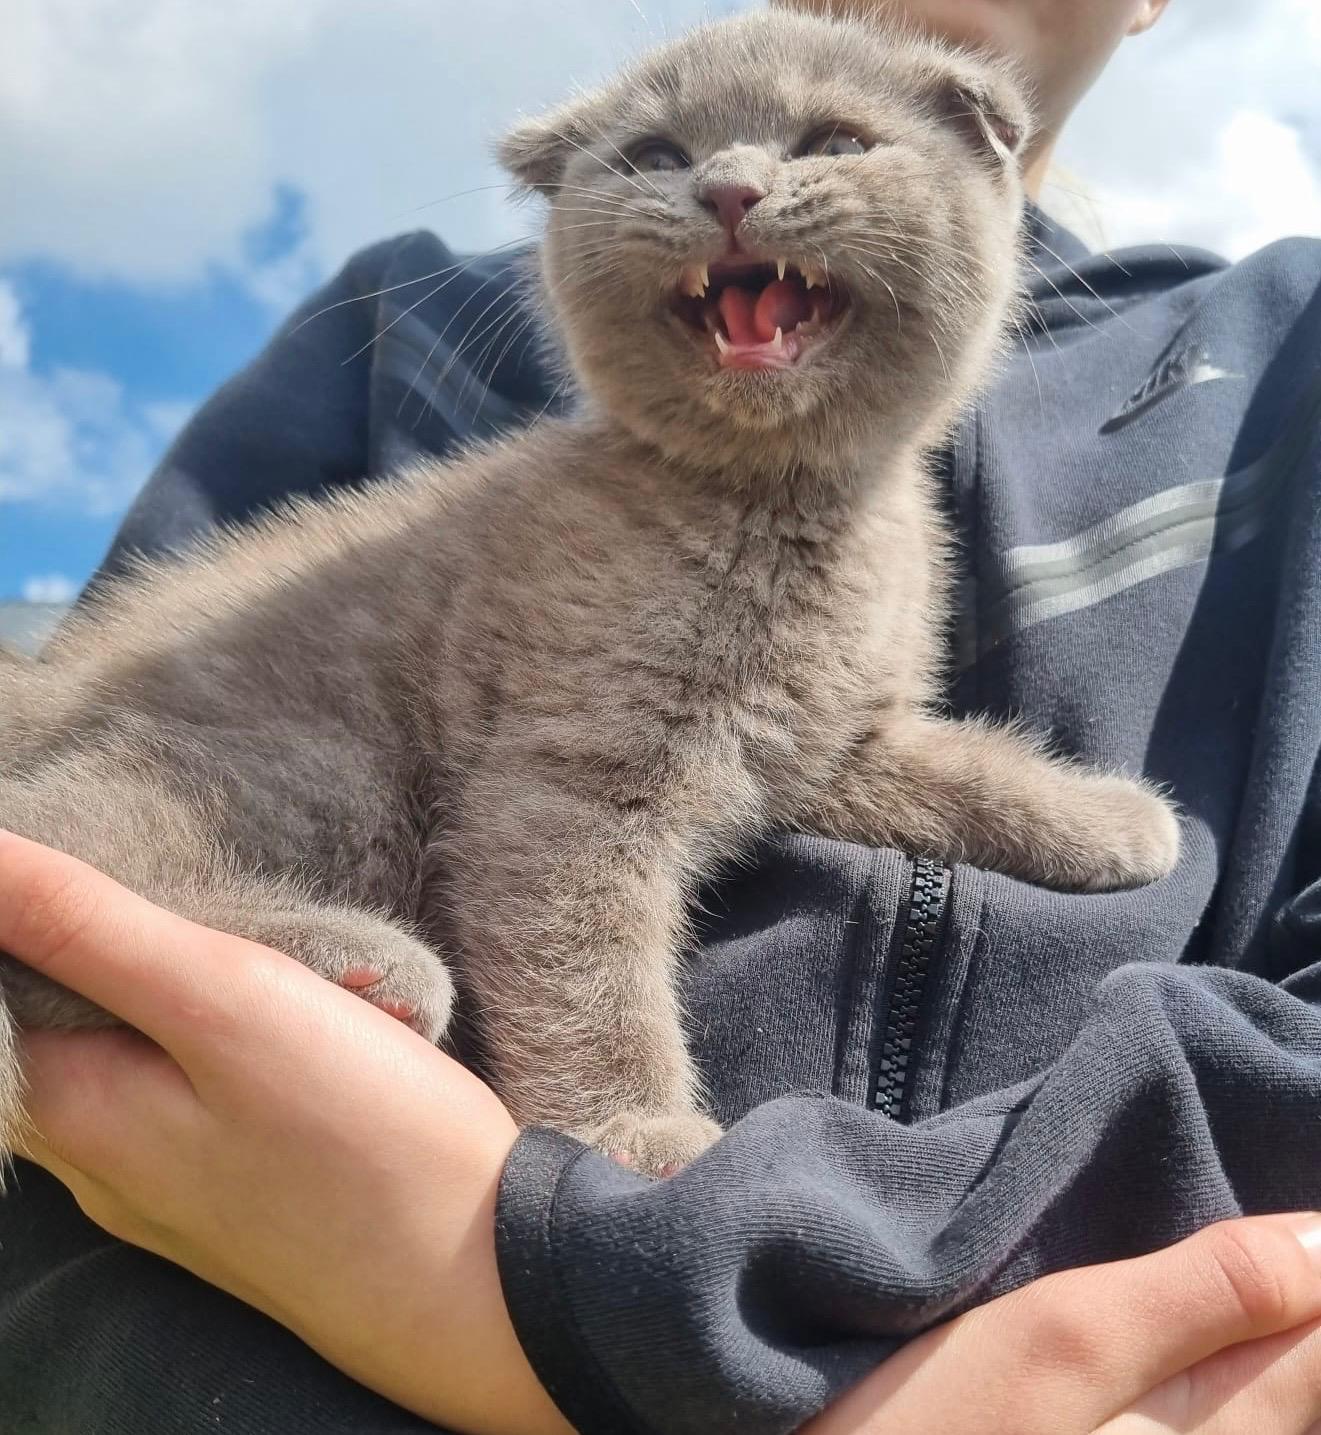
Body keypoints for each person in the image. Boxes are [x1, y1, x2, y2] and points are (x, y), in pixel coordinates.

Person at [3, 0, 1321, 1430]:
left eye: (828, 141)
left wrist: (1011, 805)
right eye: (652, 159)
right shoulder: (428, 364)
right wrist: (609, 1160)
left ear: (978, 151)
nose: (735, 184)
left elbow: (804, 755)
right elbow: (576, 816)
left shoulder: (1272, 370)